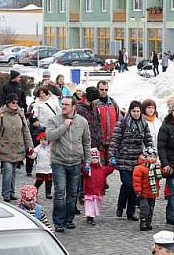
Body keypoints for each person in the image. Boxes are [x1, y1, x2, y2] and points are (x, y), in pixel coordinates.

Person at [45, 95, 91, 232]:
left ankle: (68, 219)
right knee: (60, 192)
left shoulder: (82, 122)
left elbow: (86, 142)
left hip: (76, 162)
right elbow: (49, 136)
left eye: (66, 104)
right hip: (58, 161)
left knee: (72, 193)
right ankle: (58, 222)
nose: (63, 106)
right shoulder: (54, 120)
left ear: (73, 107)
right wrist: (64, 126)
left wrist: (87, 160)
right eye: (62, 104)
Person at [110, 100, 153, 221]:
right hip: (123, 159)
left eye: (138, 111)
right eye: (133, 111)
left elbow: (148, 140)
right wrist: (112, 155)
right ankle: (120, 206)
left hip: (137, 160)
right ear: (130, 111)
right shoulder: (122, 123)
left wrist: (151, 151)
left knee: (134, 186)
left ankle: (130, 211)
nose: (136, 113)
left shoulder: (143, 124)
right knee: (128, 184)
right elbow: (115, 140)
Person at [0, 93, 34, 202]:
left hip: (18, 146)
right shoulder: (1, 114)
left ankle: (11, 192)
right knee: (8, 170)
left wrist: (29, 145)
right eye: (13, 102)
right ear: (8, 103)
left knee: (13, 171)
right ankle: (6, 193)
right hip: (5, 147)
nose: (15, 104)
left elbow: (25, 130)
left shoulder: (20, 113)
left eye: (16, 102)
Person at [158, 101, 174, 229]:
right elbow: (161, 146)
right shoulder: (166, 126)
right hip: (171, 164)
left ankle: (170, 215)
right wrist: (165, 163)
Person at [82, 147, 114, 225]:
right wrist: (85, 168)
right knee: (90, 204)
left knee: (96, 204)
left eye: (96, 158)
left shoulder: (102, 168)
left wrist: (112, 165)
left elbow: (108, 170)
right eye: (93, 158)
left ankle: (92, 215)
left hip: (98, 190)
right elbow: (84, 173)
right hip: (89, 190)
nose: (95, 160)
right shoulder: (88, 169)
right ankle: (90, 217)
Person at [133, 146, 162, 231]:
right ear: (145, 157)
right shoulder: (139, 168)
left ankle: (148, 222)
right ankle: (143, 221)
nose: (152, 159)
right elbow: (136, 180)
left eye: (153, 157)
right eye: (150, 157)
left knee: (151, 208)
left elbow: (160, 175)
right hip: (143, 192)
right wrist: (138, 190)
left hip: (153, 192)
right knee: (144, 207)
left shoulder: (157, 168)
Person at [92, 80, 119, 162]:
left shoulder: (112, 103)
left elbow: (119, 119)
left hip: (111, 141)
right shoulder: (94, 103)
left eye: (106, 90)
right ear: (97, 89)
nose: (104, 92)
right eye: (101, 89)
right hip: (99, 141)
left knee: (110, 166)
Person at [31, 133, 53, 199]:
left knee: (49, 182)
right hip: (41, 168)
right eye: (41, 140)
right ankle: (34, 192)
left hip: (49, 168)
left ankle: (48, 193)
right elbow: (33, 155)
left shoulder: (51, 148)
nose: (43, 141)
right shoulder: (38, 147)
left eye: (45, 140)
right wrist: (30, 153)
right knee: (39, 181)